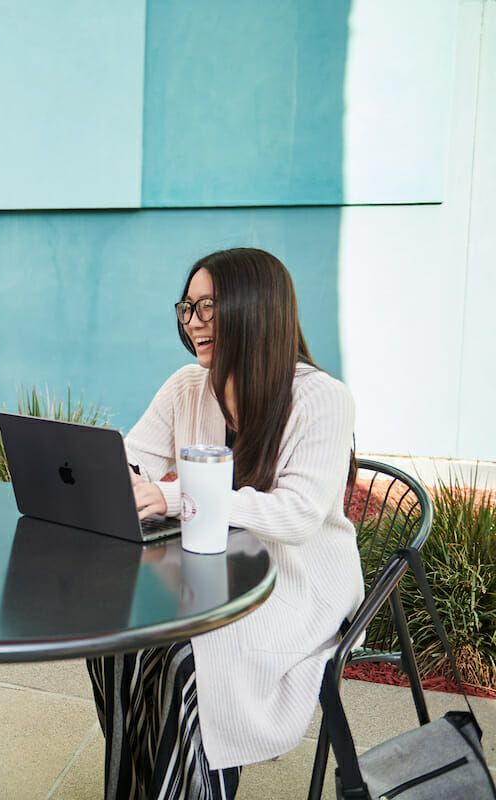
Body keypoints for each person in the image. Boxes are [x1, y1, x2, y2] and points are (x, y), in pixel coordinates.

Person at [88, 248, 364, 799]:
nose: (193, 322)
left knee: (186, 658)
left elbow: (298, 514)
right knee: (118, 637)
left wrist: (173, 494)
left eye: (207, 306)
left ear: (255, 308)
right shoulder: (188, 386)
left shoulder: (321, 399)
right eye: (187, 308)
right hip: (207, 572)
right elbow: (136, 454)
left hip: (293, 587)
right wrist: (110, 469)